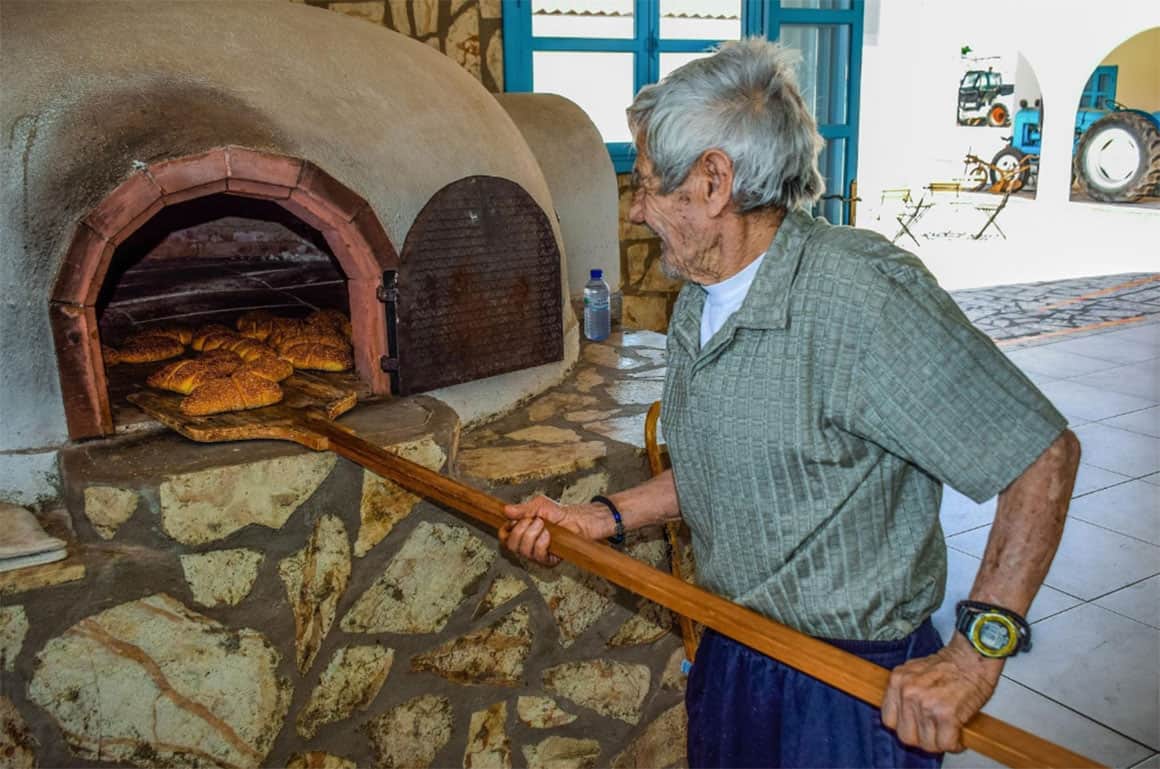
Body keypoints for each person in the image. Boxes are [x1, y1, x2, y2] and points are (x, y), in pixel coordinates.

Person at [500, 38, 1080, 769]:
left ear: (715, 181)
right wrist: (604, 516)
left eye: (647, 184)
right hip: (735, 656)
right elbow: (732, 462)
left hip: (847, 691)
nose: (637, 209)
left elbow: (1042, 456)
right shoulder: (701, 298)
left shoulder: (864, 298)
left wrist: (975, 654)